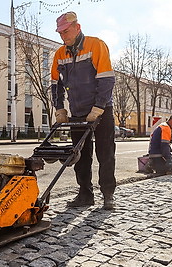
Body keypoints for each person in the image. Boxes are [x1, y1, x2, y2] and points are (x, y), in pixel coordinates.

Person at [51, 12, 116, 210]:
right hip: (78, 113)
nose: (63, 36)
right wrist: (60, 108)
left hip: (101, 110)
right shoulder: (60, 54)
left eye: (66, 31)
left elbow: (106, 79)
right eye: (60, 33)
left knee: (105, 154)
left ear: (77, 27)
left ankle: (108, 195)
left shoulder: (96, 45)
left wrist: (98, 107)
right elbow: (56, 84)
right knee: (80, 156)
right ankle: (85, 195)